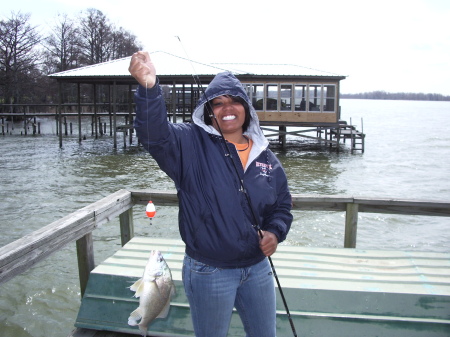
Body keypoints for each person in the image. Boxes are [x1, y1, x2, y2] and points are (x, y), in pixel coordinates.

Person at [128, 51, 293, 337]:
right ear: (208, 111)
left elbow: (282, 205)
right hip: (209, 270)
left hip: (257, 268)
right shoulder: (188, 143)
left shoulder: (265, 156)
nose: (226, 108)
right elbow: (153, 134)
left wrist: (275, 233)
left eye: (233, 101)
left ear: (246, 108)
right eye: (217, 103)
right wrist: (148, 89)